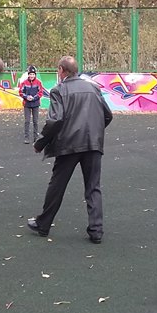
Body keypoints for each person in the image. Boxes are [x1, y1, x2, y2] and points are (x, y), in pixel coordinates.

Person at [28, 56, 113, 244]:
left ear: (61, 70)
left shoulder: (59, 90)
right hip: (93, 144)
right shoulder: (93, 88)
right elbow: (107, 115)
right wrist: (95, 132)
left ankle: (43, 224)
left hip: (69, 144)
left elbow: (55, 120)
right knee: (93, 187)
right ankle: (96, 231)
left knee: (57, 185)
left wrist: (40, 143)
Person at [17, 65, 45, 144]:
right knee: (27, 121)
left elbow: (40, 92)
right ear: (28, 75)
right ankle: (26, 137)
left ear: (35, 75)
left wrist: (34, 98)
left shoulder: (38, 82)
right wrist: (26, 97)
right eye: (30, 74)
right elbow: (21, 92)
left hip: (35, 104)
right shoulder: (24, 83)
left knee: (35, 121)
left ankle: (36, 137)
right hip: (27, 104)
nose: (31, 76)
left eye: (33, 74)